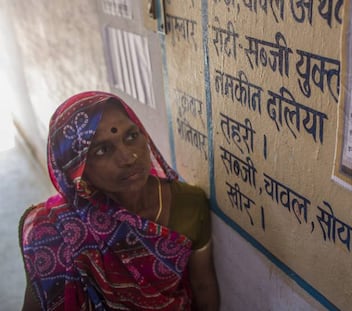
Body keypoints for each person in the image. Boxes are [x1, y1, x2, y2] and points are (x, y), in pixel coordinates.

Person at [19, 91, 219, 310]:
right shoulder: (52, 232)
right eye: (102, 150)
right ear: (75, 169)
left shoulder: (189, 203)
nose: (128, 158)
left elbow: (203, 287)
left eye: (131, 136)